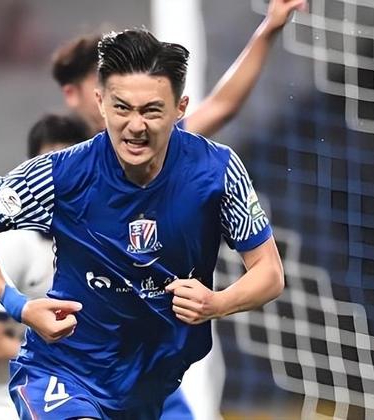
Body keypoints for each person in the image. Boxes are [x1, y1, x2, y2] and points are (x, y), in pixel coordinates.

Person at [0, 28, 284, 420]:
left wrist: (218, 302)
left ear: (180, 108)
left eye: (151, 111)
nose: (135, 126)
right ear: (100, 103)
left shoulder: (217, 171)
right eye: (122, 108)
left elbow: (270, 273)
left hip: (149, 385)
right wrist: (19, 306)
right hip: (65, 373)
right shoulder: (61, 174)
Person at [51, 1, 305, 417]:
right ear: (82, 94)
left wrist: (270, 27)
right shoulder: (57, 165)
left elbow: (222, 107)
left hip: (147, 360)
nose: (131, 103)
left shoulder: (163, 148)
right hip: (80, 359)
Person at [0, 114, 90, 420]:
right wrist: (74, 352)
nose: (59, 179)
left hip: (47, 407)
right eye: (48, 166)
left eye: (69, 166)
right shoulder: (6, 241)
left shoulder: (87, 244)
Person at [52, 0, 308, 136]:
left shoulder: (150, 141)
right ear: (72, 94)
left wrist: (269, 28)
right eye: (102, 82)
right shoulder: (55, 158)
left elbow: (221, 107)